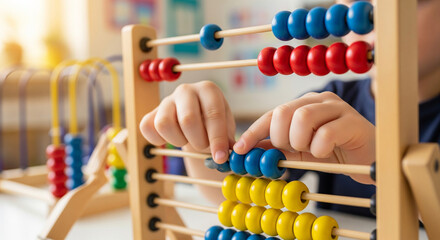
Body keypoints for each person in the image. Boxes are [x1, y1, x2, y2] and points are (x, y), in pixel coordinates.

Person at [139, 0, 440, 217]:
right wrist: (203, 141)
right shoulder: (332, 102)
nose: (379, 12)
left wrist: (385, 167)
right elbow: (246, 198)